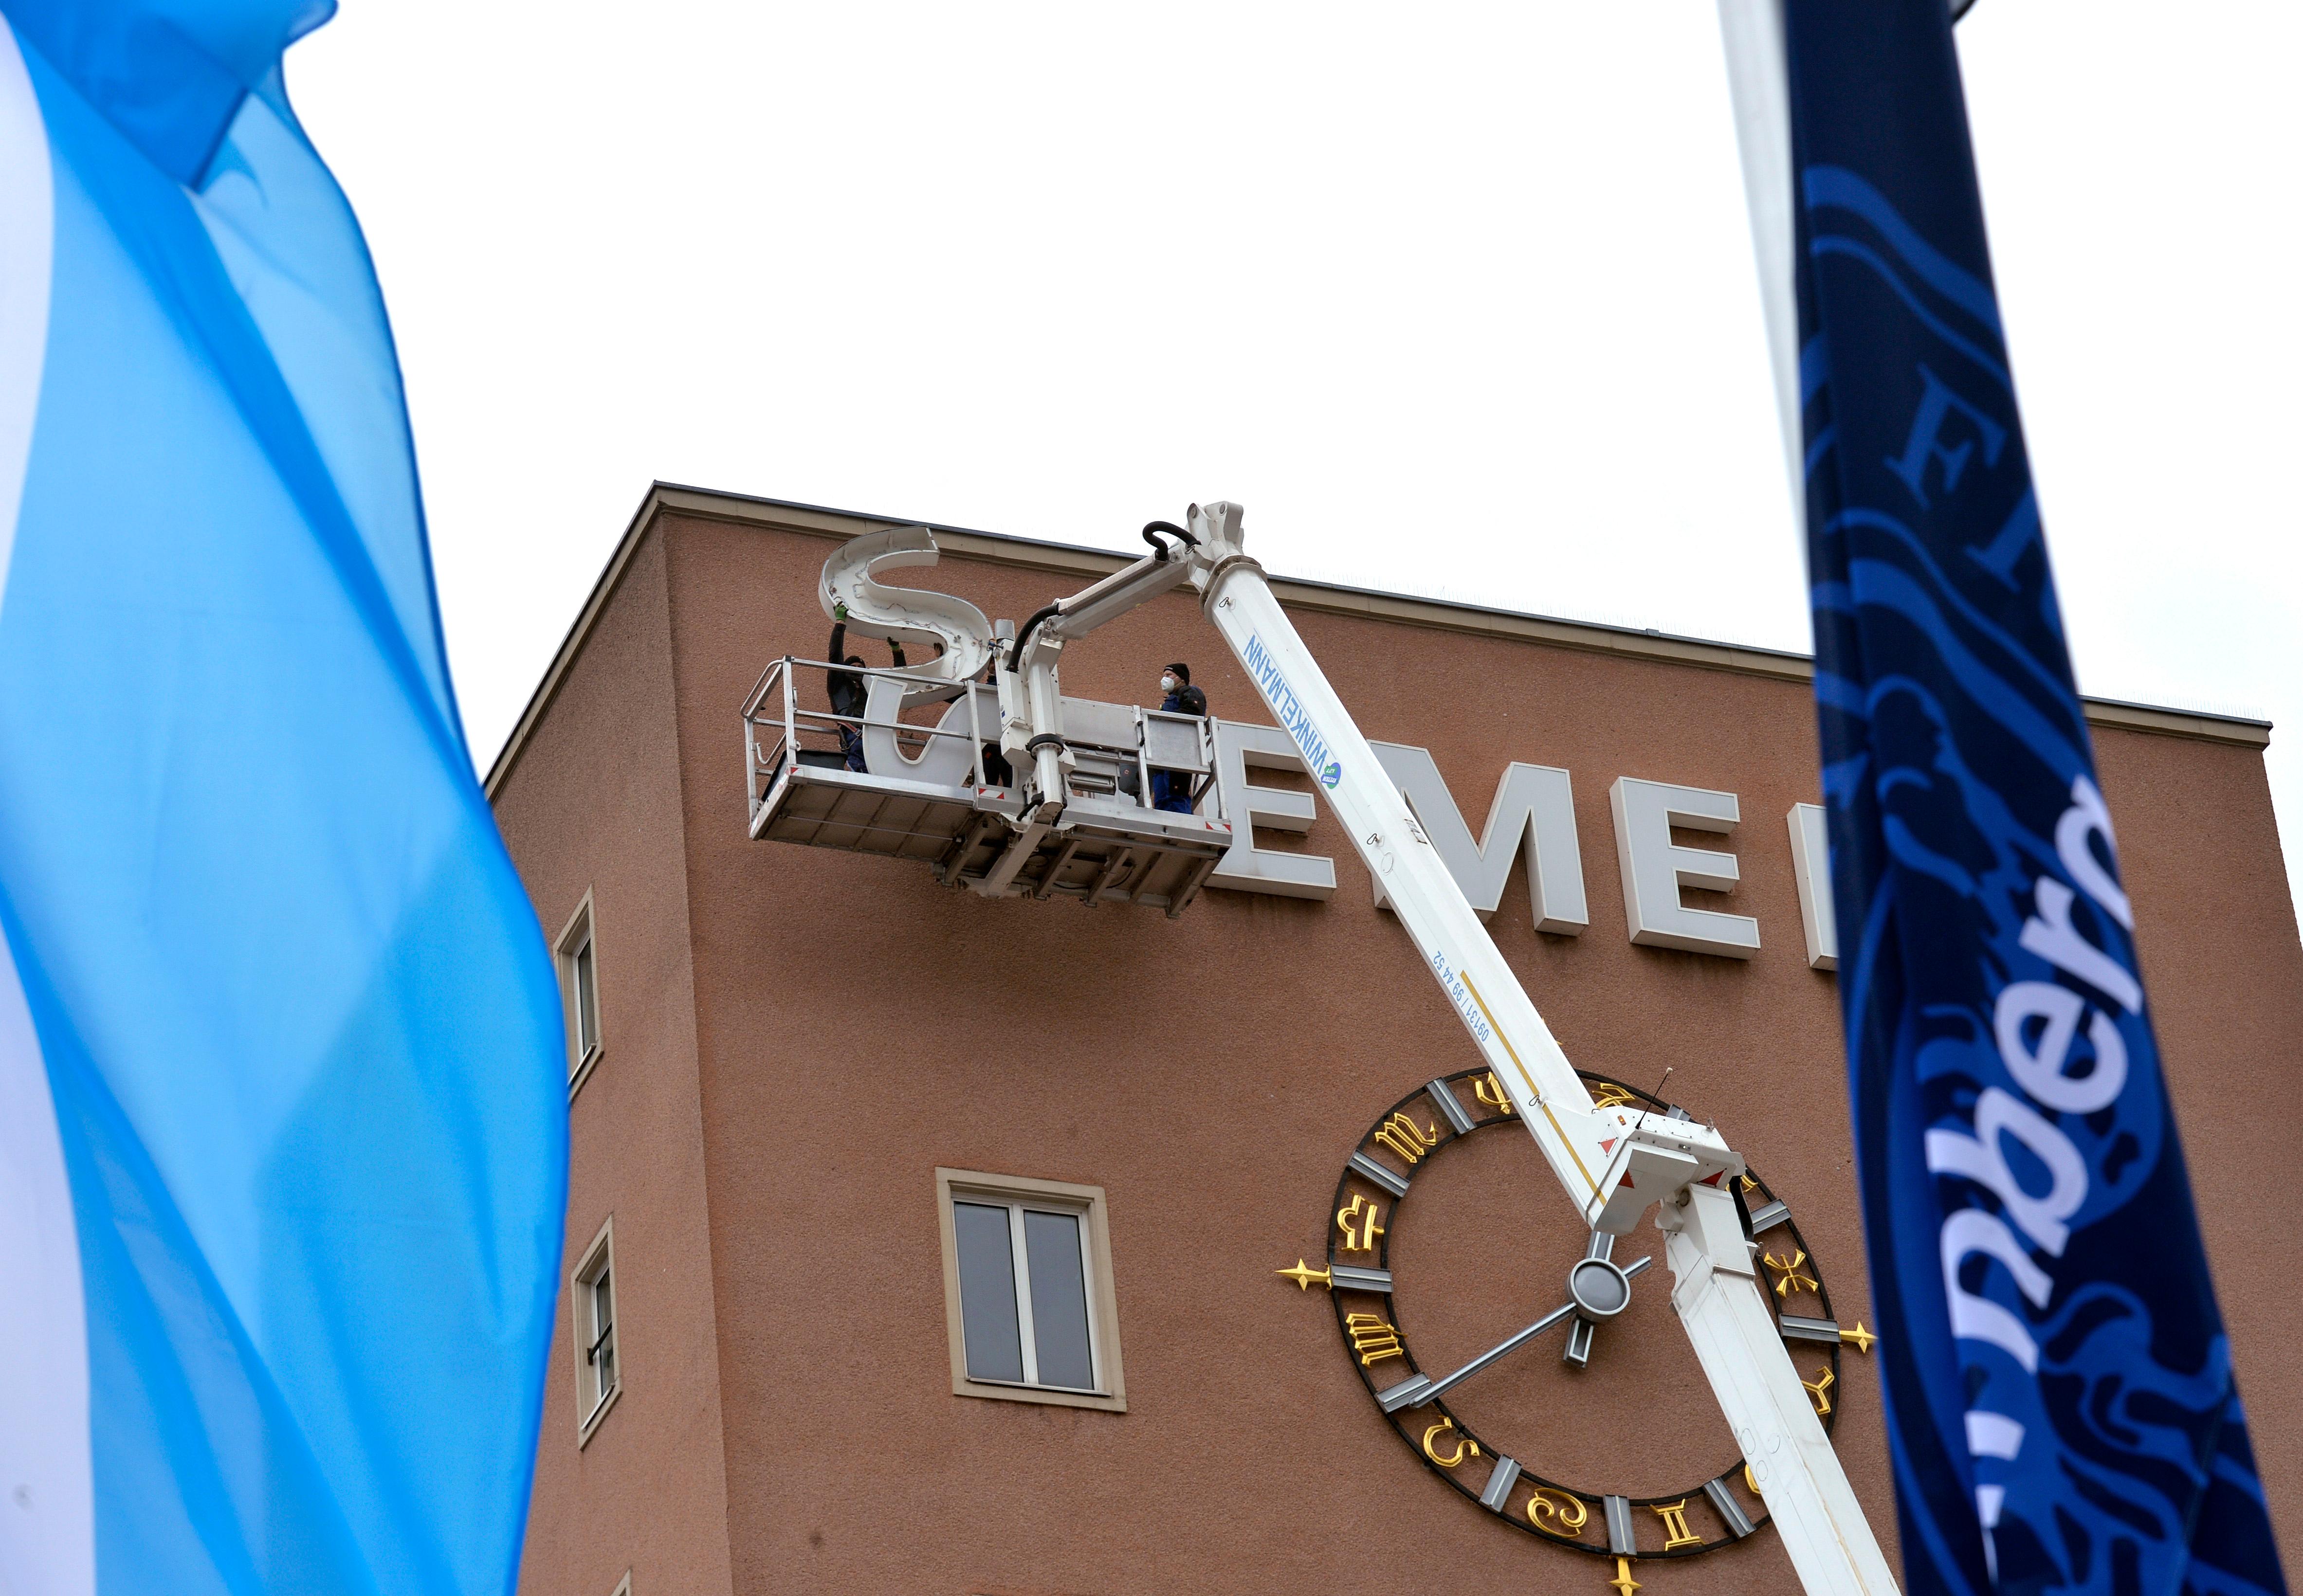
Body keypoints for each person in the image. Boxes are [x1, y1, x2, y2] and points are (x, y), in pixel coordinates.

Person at [827, 602, 904, 772]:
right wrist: (840, 623)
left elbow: (899, 682)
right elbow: (835, 655)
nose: (857, 670)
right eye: (853, 667)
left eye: (860, 668)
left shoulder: (871, 689)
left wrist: (897, 651)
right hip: (854, 738)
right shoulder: (839, 686)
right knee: (861, 773)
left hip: (878, 739)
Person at [1149, 661, 1206, 813]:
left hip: (1180, 753)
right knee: (1161, 799)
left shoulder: (1190, 692)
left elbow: (1193, 712)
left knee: (1176, 795)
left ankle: (1181, 820)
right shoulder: (1170, 700)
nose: (1165, 679)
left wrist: (1165, 720)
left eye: (1169, 675)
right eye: (1164, 676)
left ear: (1181, 678)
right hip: (1163, 757)